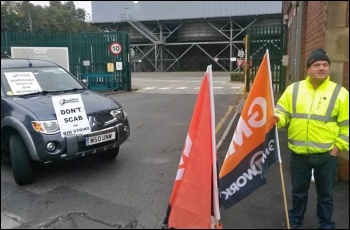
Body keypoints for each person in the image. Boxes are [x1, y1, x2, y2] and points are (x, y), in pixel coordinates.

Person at [274, 48, 349, 229]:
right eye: (316, 65)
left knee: (326, 195)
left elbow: (347, 125)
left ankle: (326, 225)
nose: (321, 68)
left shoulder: (340, 93)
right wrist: (277, 119)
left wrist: (336, 149)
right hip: (299, 155)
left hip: (326, 156)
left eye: (325, 65)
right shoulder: (294, 89)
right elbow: (283, 113)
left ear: (329, 68)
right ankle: (295, 222)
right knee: (298, 192)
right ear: (308, 69)